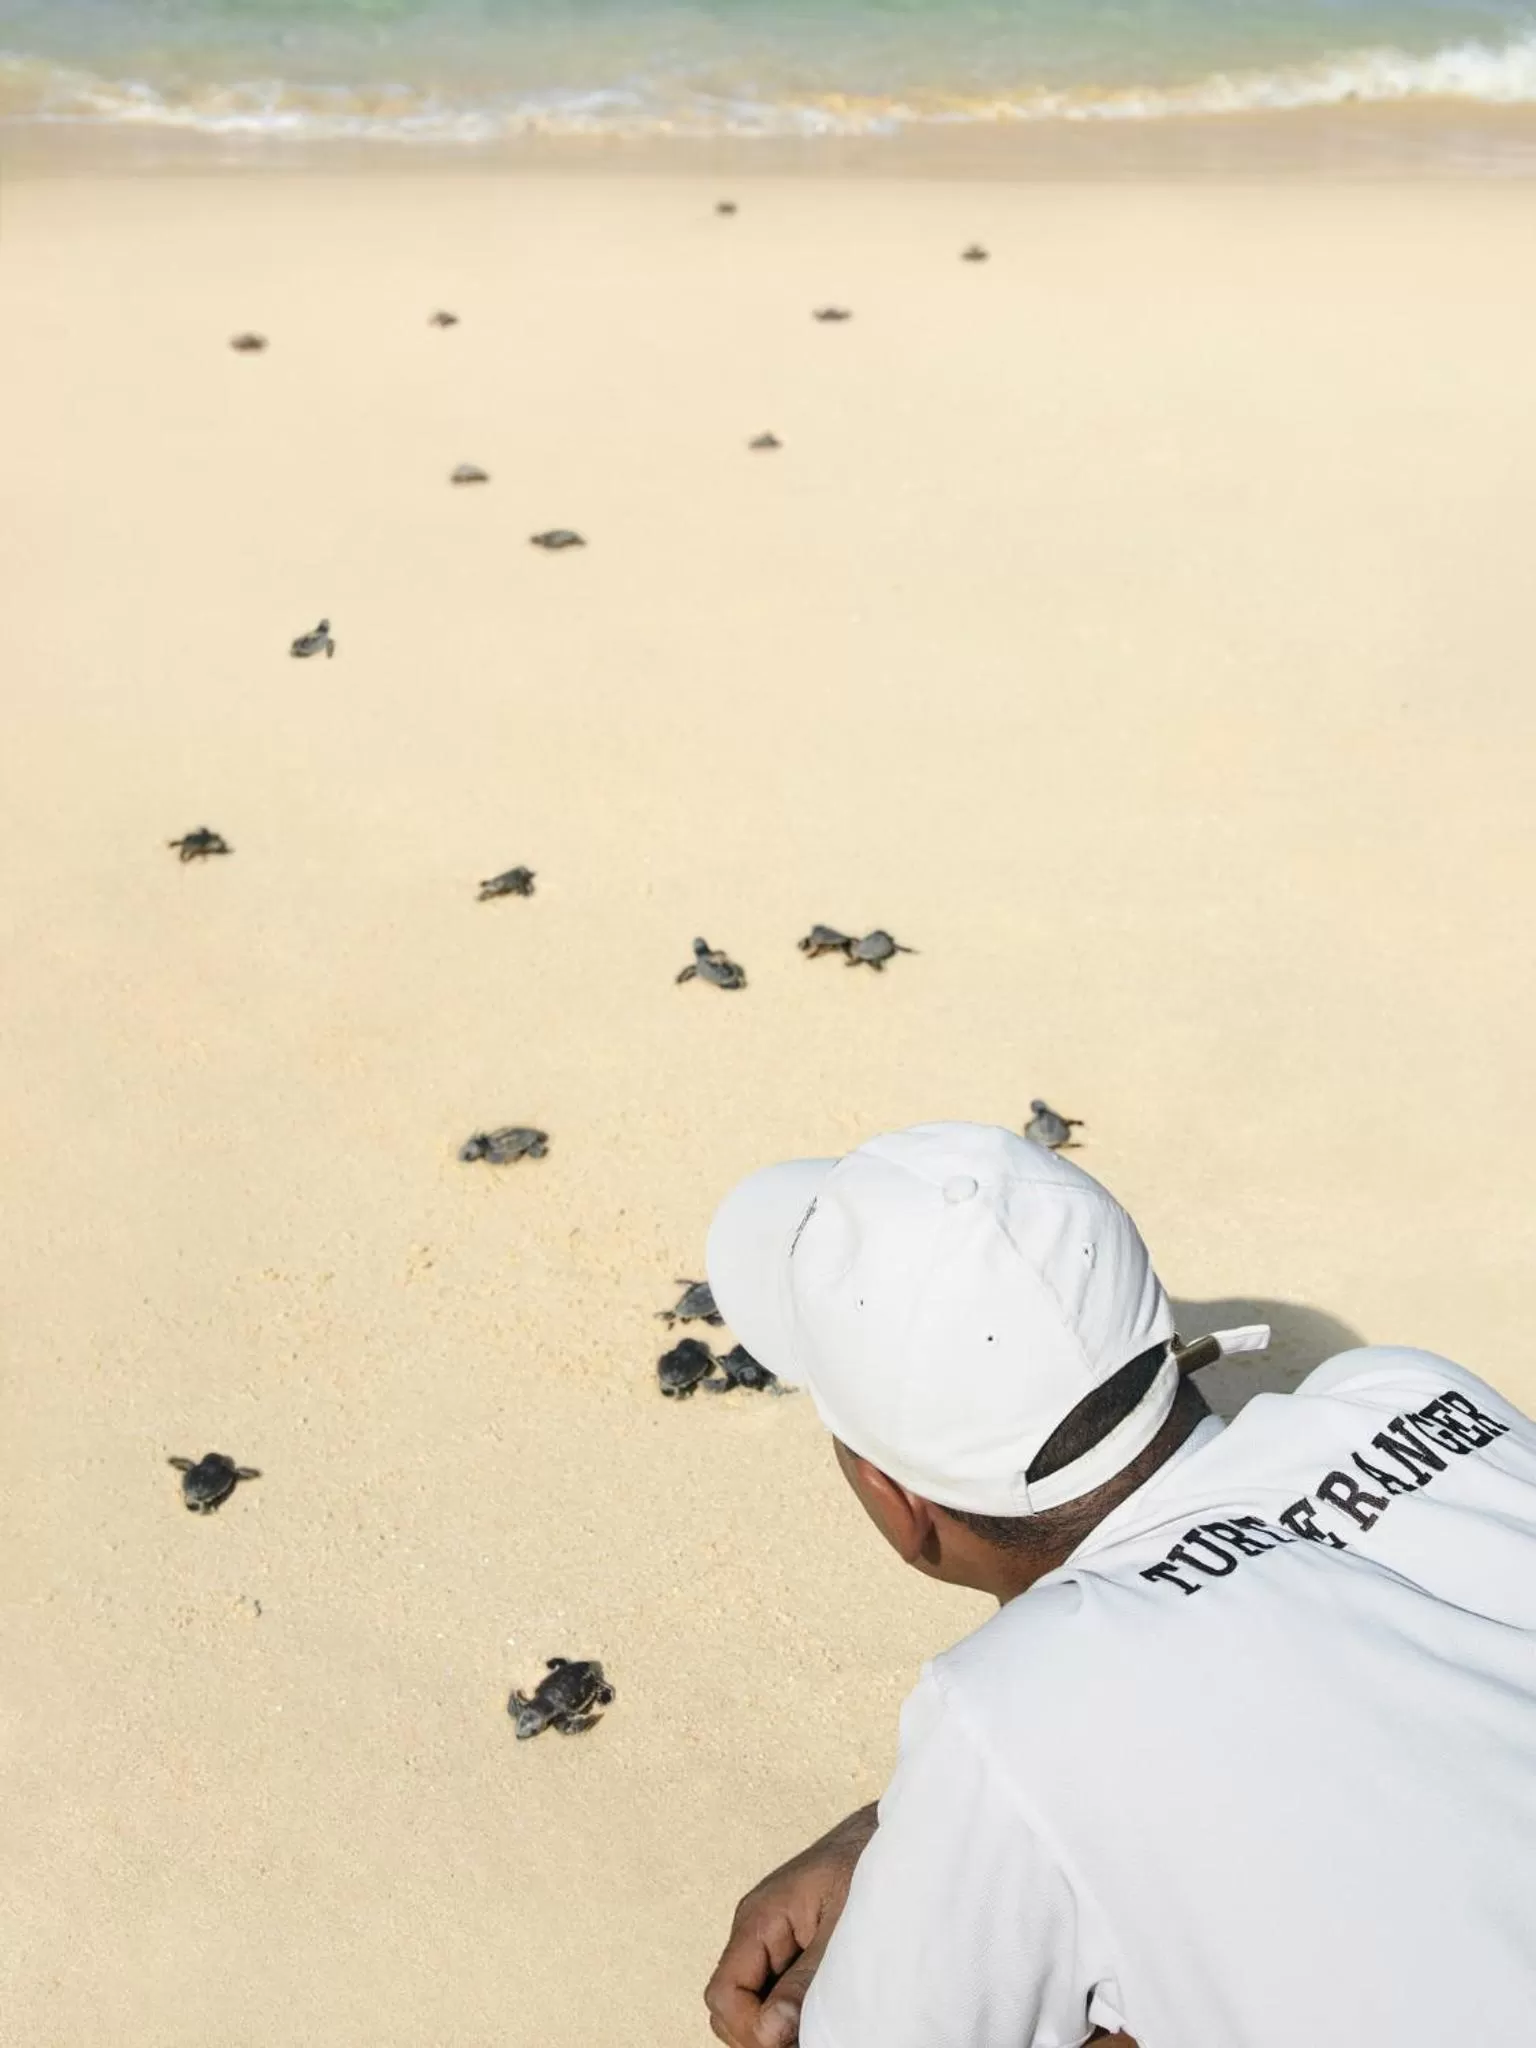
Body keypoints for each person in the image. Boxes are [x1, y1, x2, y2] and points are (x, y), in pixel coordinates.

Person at [700, 1122, 1536, 2048]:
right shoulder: (1410, 1395)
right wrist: (910, 1827)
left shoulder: (1006, 1714)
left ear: (899, 1505)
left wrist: (936, 1838)